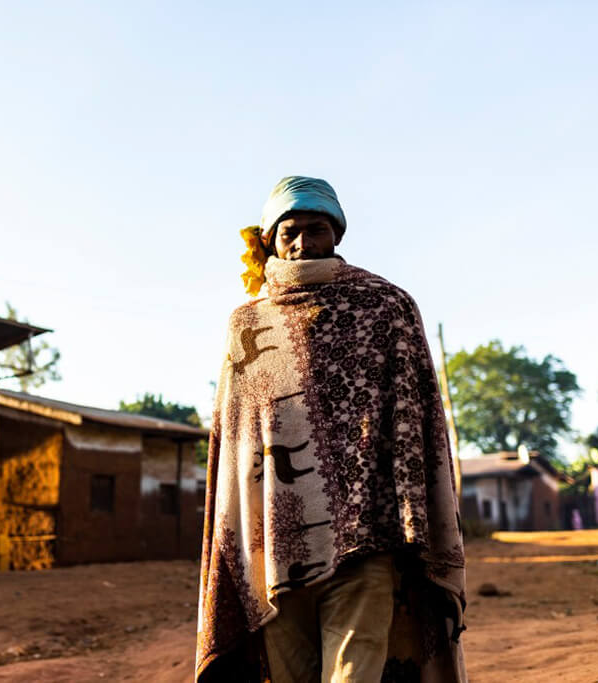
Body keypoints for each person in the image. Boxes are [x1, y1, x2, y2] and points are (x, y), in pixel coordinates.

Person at [196, 176, 467, 682]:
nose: (302, 244)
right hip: (274, 551)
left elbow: (415, 427)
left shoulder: (386, 307)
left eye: (316, 229)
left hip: (366, 541)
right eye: (289, 232)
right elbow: (236, 446)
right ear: (269, 241)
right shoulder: (248, 325)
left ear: (337, 235)